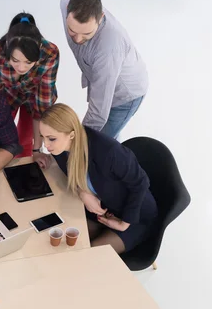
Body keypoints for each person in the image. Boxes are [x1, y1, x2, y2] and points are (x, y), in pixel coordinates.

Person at [38, 103, 158, 254]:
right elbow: (77, 176)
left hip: (135, 217)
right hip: (103, 212)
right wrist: (82, 192)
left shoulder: (109, 152)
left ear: (72, 135)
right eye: (43, 137)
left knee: (90, 255)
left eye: (51, 139)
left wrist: (125, 223)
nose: (46, 145)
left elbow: (141, 183)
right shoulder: (62, 150)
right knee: (59, 240)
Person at [60, 0, 149, 140]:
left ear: (100, 18)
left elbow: (98, 114)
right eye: (72, 31)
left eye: (87, 34)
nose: (78, 39)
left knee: (101, 144)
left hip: (125, 96)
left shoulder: (109, 48)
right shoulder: (66, 1)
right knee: (106, 140)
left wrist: (77, 143)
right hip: (106, 76)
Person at [0, 12, 59, 168]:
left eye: (28, 62)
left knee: (26, 140)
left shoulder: (50, 54)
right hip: (5, 94)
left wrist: (37, 149)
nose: (21, 67)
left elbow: (41, 106)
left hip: (34, 94)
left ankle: (24, 168)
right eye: (15, 60)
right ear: (8, 52)